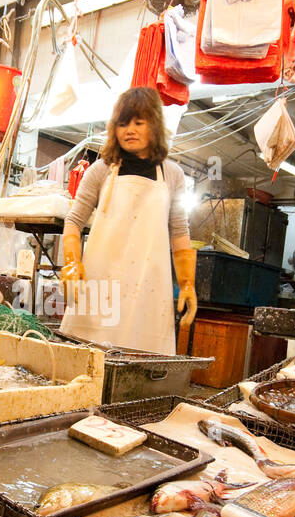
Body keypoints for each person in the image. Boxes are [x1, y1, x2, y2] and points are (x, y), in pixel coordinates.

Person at [58, 86, 196, 354]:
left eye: (138, 122)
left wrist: (188, 283)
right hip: (100, 284)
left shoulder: (173, 175)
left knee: (140, 364)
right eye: (122, 123)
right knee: (86, 361)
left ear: (154, 125)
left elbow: (179, 232)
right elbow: (73, 221)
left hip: (147, 287)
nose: (129, 130)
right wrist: (73, 264)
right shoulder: (100, 170)